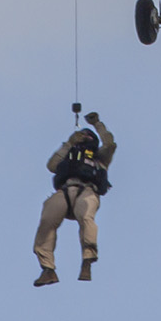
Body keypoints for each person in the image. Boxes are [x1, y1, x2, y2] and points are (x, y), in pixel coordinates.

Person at [33, 112, 116, 286]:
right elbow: (52, 165)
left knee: (86, 217)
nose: (84, 138)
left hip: (88, 191)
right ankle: (48, 269)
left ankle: (87, 260)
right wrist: (69, 143)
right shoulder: (68, 156)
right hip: (65, 190)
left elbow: (110, 144)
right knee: (47, 219)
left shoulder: (100, 158)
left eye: (88, 136)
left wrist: (97, 124)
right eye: (82, 135)